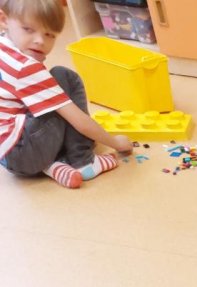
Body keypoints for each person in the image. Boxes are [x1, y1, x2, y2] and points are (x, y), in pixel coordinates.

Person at [0, 0, 132, 188]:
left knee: (40, 99)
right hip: (25, 151)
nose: (40, 41)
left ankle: (52, 165)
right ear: (4, 20)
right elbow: (80, 122)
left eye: (49, 35)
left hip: (7, 158)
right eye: (28, 29)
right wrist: (117, 143)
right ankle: (83, 161)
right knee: (63, 76)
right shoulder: (26, 67)